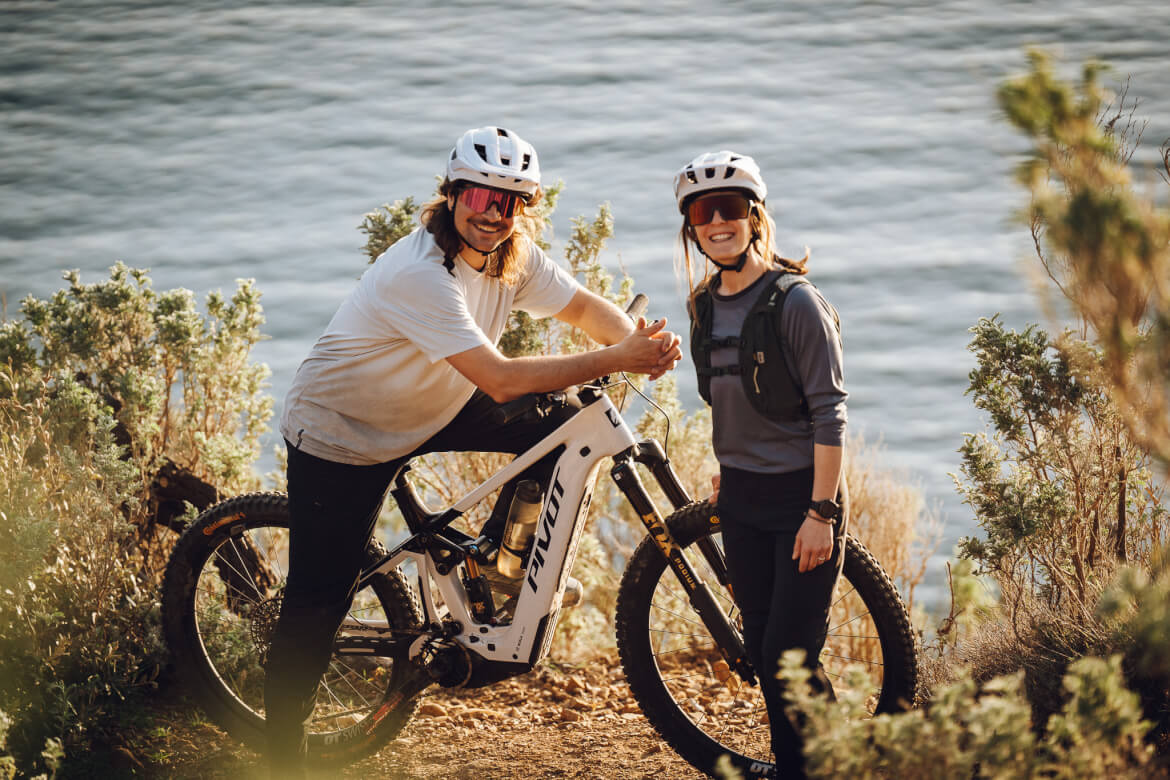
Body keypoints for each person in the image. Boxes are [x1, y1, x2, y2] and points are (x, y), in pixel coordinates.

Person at [265, 125, 681, 777]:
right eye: (483, 196)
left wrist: (641, 344)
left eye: (511, 202)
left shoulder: (513, 255)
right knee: (319, 601)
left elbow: (584, 309)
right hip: (344, 429)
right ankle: (280, 755)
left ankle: (497, 570)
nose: (494, 213)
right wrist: (617, 356)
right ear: (454, 193)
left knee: (564, 425)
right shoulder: (419, 274)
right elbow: (503, 379)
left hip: (434, 399)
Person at [673, 150, 847, 778]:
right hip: (741, 500)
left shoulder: (795, 303)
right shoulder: (703, 307)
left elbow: (830, 415)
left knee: (786, 657)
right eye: (701, 211)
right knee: (767, 650)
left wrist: (822, 513)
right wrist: (730, 468)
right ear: (691, 225)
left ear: (754, 217)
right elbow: (724, 400)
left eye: (729, 209)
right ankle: (826, 764)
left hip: (804, 500)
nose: (716, 222)